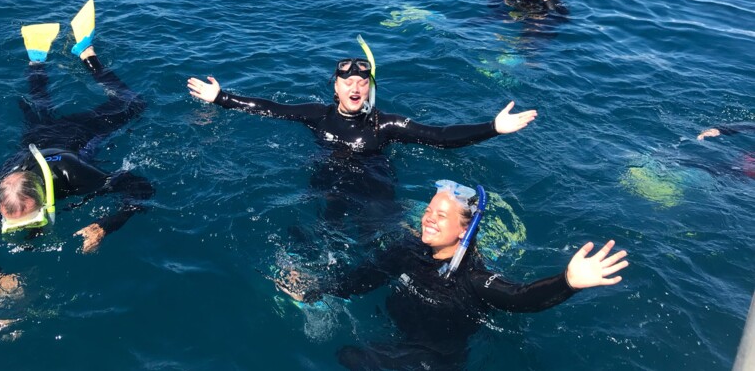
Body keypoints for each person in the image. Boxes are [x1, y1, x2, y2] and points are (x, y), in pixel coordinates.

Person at [276, 181, 629, 370]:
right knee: (349, 356)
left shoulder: (474, 278)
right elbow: (362, 279)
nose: (427, 218)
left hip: (436, 359)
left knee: (354, 358)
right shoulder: (406, 250)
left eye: (440, 216)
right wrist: (315, 289)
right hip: (397, 337)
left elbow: (521, 298)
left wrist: (567, 282)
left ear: (463, 231)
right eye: (428, 210)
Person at [187, 54, 536, 236]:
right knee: (325, 231)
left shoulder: (385, 125)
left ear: (368, 88)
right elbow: (270, 109)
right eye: (347, 81)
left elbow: (439, 137)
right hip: (329, 185)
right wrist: (222, 98)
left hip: (375, 187)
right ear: (335, 88)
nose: (355, 87)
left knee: (378, 236)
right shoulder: (316, 115)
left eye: (362, 81)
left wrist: (492, 128)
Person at [0, 0, 154, 299]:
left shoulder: (72, 174)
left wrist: (106, 225)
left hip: (77, 136)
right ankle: (36, 59)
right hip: (35, 141)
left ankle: (87, 54)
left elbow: (140, 187)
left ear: (43, 198)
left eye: (32, 220)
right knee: (40, 111)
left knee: (133, 104)